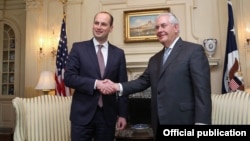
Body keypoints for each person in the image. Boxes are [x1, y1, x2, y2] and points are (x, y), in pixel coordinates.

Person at [102, 12, 212, 140]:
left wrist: (202, 123)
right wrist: (116, 86)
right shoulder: (155, 59)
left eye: (163, 26)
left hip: (184, 120)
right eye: (157, 27)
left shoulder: (193, 51)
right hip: (158, 123)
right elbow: (142, 82)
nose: (159, 30)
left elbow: (202, 91)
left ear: (176, 28)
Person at [64, 11, 128, 141]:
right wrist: (96, 83)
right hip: (82, 115)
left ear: (111, 28)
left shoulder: (119, 54)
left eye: (103, 24)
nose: (98, 27)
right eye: (96, 23)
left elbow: (123, 86)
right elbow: (69, 77)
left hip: (107, 115)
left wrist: (122, 114)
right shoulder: (78, 48)